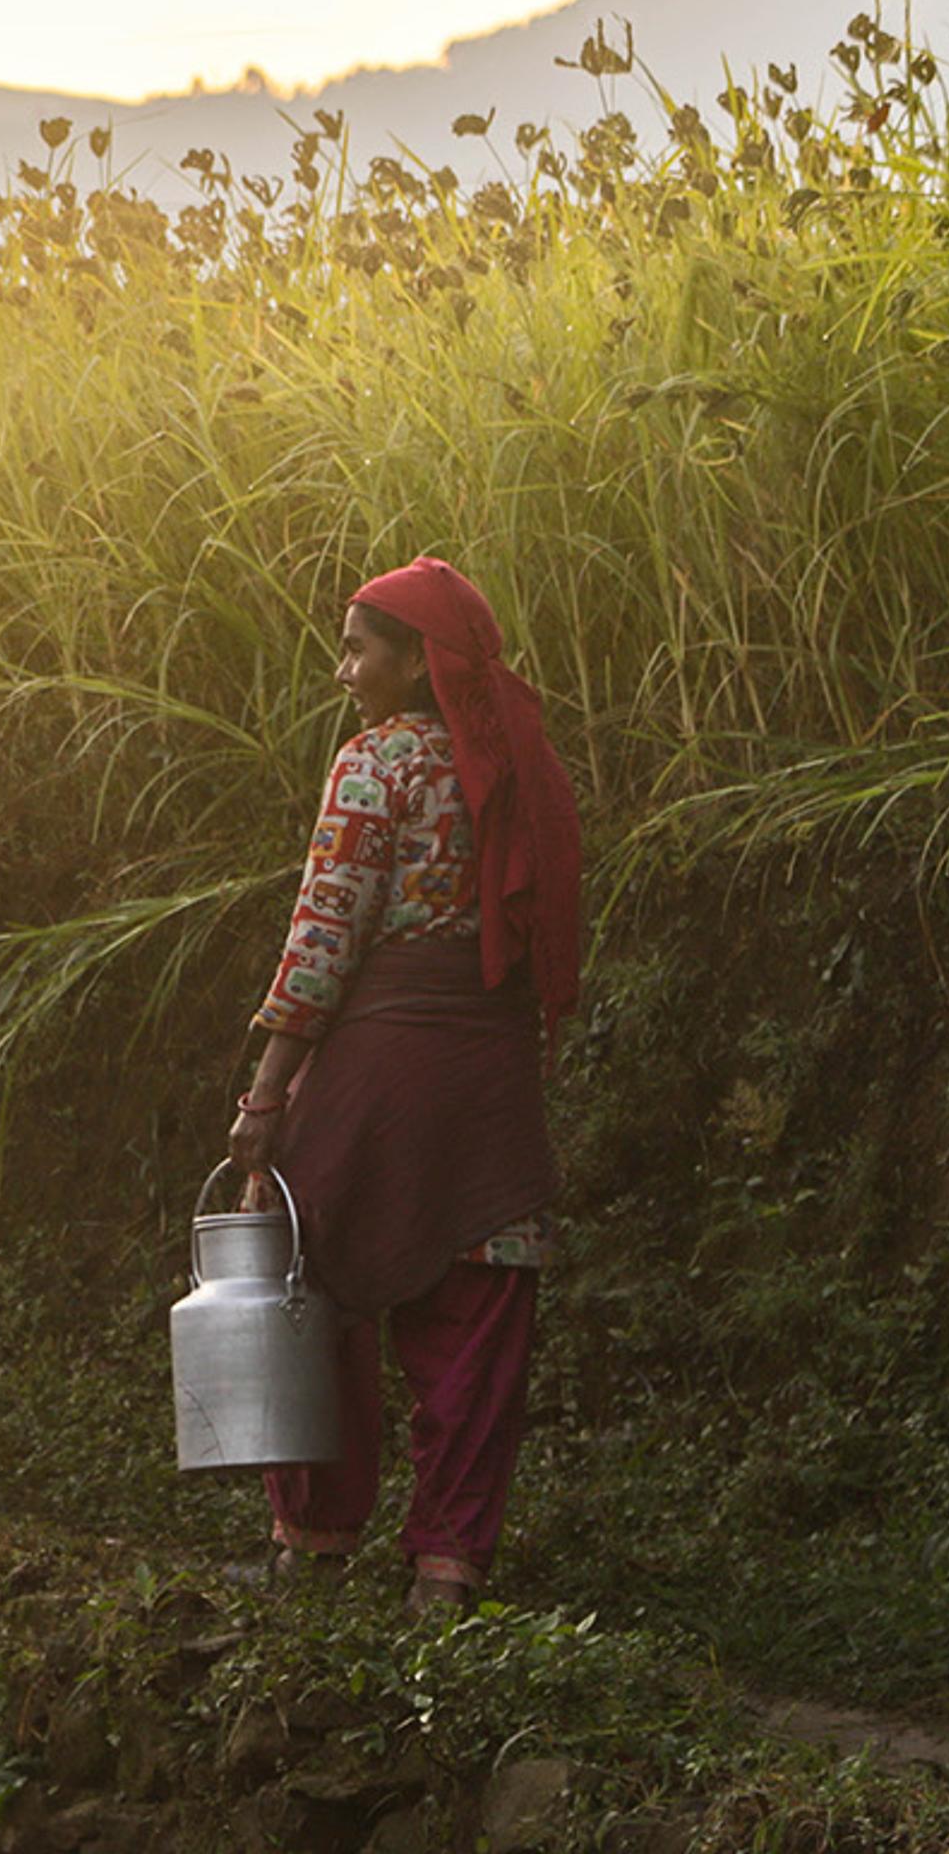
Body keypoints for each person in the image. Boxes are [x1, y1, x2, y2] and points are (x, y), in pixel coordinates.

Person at [225, 556, 585, 1615]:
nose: (342, 672)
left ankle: (315, 1537)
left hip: (381, 1066)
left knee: (311, 1273)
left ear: (415, 661)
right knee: (481, 1301)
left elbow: (324, 936)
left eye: (355, 649)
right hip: (489, 1074)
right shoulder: (523, 763)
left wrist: (266, 1094)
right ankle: (448, 1566)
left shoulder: (373, 766)